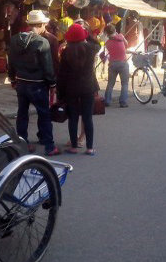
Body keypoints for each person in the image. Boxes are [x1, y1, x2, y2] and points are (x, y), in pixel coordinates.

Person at [7, 9, 60, 156]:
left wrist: (12, 78)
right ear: (42, 24)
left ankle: (22, 142)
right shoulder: (42, 42)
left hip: (21, 82)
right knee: (44, 114)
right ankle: (49, 146)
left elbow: (10, 62)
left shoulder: (15, 39)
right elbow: (48, 66)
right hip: (38, 84)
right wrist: (52, 83)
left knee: (22, 113)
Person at [57, 23, 99, 156]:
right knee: (87, 117)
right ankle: (90, 148)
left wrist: (60, 93)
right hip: (88, 87)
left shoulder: (65, 52)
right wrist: (87, 32)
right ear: (83, 37)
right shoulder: (91, 49)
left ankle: (74, 147)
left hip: (71, 88)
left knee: (73, 117)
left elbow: (62, 75)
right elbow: (97, 44)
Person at [103, 23, 130, 108]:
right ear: (115, 30)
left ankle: (107, 101)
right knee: (124, 83)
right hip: (123, 63)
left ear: (106, 33)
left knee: (110, 83)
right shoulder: (121, 37)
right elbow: (126, 44)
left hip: (112, 64)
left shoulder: (107, 43)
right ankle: (123, 102)